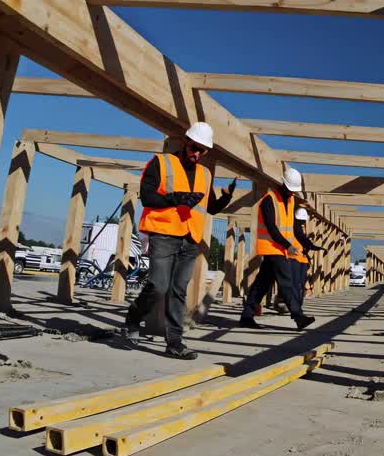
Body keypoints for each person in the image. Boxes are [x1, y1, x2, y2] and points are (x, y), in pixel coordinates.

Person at [120, 122, 233, 360]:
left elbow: (209, 207)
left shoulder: (205, 173)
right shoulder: (161, 163)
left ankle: (174, 343)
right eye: (195, 147)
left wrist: (225, 199)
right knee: (158, 286)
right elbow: (147, 197)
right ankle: (132, 318)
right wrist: (175, 199)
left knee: (178, 291)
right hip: (163, 233)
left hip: (190, 239)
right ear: (186, 142)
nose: (197, 153)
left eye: (203, 150)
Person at [239, 167, 314, 331]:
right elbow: (272, 229)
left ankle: (247, 315)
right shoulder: (269, 200)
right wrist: (288, 246)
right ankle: (298, 316)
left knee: (262, 283)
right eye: (290, 189)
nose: (292, 193)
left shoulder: (291, 200)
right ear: (283, 184)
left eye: (294, 191)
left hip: (281, 248)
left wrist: (305, 242)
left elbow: (293, 228)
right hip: (272, 246)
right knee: (286, 281)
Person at [290, 206, 322, 313]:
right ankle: (295, 305)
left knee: (299, 283)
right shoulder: (296, 228)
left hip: (301, 260)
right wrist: (312, 246)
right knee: (296, 283)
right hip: (295, 259)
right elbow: (302, 240)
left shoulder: (297, 228)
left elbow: (303, 242)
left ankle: (296, 304)